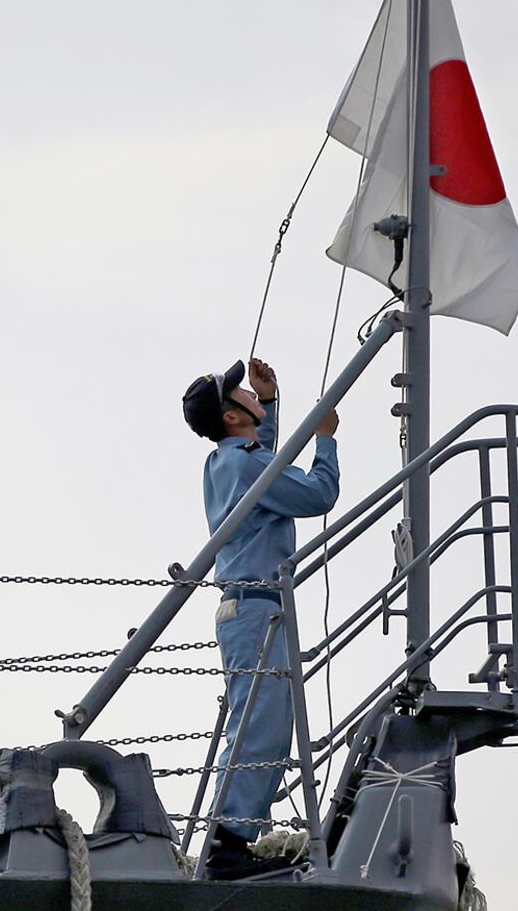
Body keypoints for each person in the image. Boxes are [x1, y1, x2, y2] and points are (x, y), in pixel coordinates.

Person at [181, 358, 339, 880]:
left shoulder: (226, 461)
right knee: (259, 726)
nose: (246, 391)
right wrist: (326, 441)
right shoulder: (247, 464)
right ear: (230, 418)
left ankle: (235, 836)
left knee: (263, 723)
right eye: (240, 393)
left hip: (248, 607)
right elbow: (316, 495)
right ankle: (229, 842)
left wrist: (268, 405)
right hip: (254, 606)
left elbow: (262, 459)